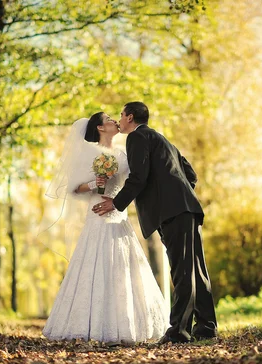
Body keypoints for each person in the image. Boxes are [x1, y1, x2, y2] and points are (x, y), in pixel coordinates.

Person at [93, 102, 218, 343]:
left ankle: (179, 331)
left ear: (130, 117)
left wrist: (116, 203)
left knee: (182, 270)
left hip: (172, 211)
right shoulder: (163, 140)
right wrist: (177, 194)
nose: (119, 119)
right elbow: (190, 175)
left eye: (121, 114)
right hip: (188, 208)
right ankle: (206, 327)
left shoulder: (137, 138)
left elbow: (139, 177)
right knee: (197, 269)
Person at [41, 112, 168, 344]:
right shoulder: (89, 153)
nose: (115, 121)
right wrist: (94, 183)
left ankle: (127, 325)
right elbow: (73, 188)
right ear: (100, 128)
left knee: (124, 264)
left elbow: (135, 182)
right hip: (97, 214)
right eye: (110, 119)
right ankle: (89, 323)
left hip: (119, 215)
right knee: (94, 263)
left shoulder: (122, 155)